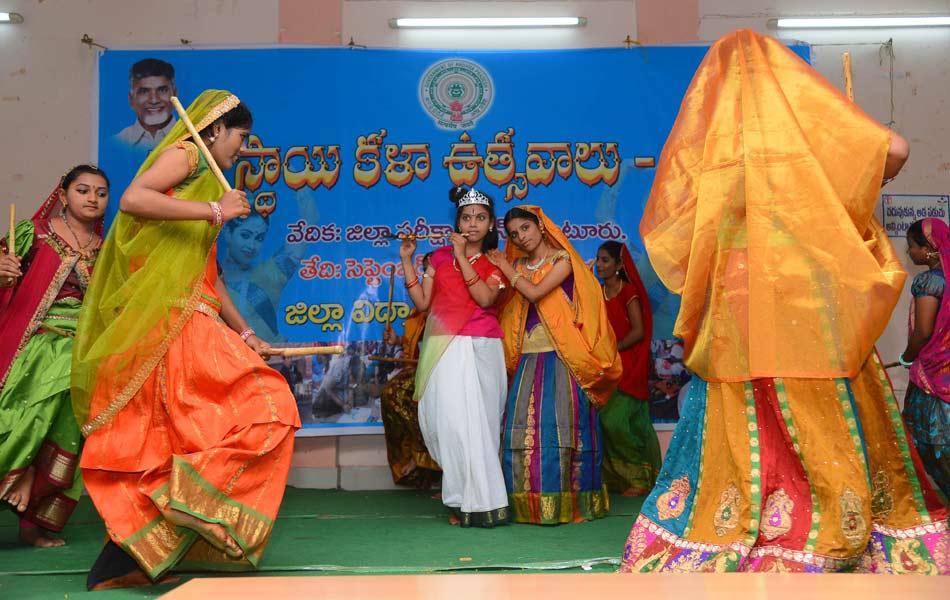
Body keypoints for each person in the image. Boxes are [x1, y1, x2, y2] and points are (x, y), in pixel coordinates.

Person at [620, 30, 949, 574]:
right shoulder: (809, 137)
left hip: (741, 300)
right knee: (820, 403)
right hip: (806, 301)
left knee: (747, 408)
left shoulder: (716, 154)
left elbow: (678, 229)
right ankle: (832, 513)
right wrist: (841, 126)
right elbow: (896, 152)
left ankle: (747, 516)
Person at [72, 90, 301, 589]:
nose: (243, 148)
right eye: (241, 136)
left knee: (188, 435)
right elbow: (133, 198)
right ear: (217, 128)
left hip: (194, 319)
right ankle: (179, 505)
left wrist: (244, 331)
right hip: (172, 322)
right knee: (271, 407)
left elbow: (209, 276)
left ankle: (134, 548)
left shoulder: (202, 183)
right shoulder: (191, 153)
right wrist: (215, 212)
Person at [487, 206, 620, 524]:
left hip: (562, 359)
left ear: (541, 227)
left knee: (563, 432)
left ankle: (571, 504)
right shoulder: (517, 265)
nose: (521, 237)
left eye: (525, 228)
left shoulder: (562, 261)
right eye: (514, 234)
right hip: (526, 359)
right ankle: (524, 505)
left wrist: (505, 266)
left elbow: (534, 293)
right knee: (520, 434)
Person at [0, 165, 109, 547]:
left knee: (75, 415)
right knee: (65, 370)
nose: (92, 198)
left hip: (88, 343)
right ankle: (23, 473)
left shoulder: (108, 250)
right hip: (39, 338)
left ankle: (34, 519)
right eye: (83, 190)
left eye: (100, 192)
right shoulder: (35, 235)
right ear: (62, 196)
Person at [400, 186, 509, 527]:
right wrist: (407, 260)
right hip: (444, 348)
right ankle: (463, 500)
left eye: (480, 217)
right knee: (451, 426)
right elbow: (422, 303)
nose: (472, 223)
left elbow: (486, 300)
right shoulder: (437, 258)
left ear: (491, 224)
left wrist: (462, 256)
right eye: (466, 217)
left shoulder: (496, 260)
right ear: (457, 221)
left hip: (481, 346)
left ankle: (488, 504)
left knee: (481, 426)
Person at [595, 241, 662, 496]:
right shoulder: (599, 292)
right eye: (598, 260)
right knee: (604, 422)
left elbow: (639, 331)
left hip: (628, 364)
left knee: (616, 422)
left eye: (605, 260)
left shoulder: (628, 291)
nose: (600, 265)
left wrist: (614, 349)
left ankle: (640, 478)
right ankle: (618, 479)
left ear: (620, 265)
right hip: (605, 366)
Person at [219, 190, 319, 341]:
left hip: (267, 360)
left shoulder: (269, 274)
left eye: (259, 238)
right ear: (227, 233)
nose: (251, 245)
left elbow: (310, 221)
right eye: (245, 235)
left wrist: (299, 183)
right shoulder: (206, 276)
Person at [900, 218, 950, 499]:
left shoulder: (930, 282)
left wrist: (906, 356)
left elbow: (922, 331)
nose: (909, 253)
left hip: (933, 379)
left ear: (929, 249)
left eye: (912, 247)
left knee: (931, 444)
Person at [380, 253, 440, 488]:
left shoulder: (450, 304)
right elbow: (417, 344)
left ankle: (429, 460)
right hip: (421, 372)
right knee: (393, 395)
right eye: (425, 273)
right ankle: (419, 459)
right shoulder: (418, 314)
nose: (429, 278)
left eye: (433, 272)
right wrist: (397, 341)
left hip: (449, 372)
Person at [114, 58, 177, 149]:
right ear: (131, 99)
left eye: (162, 90)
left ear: (175, 95)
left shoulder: (193, 140)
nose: (154, 100)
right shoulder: (116, 142)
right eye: (144, 92)